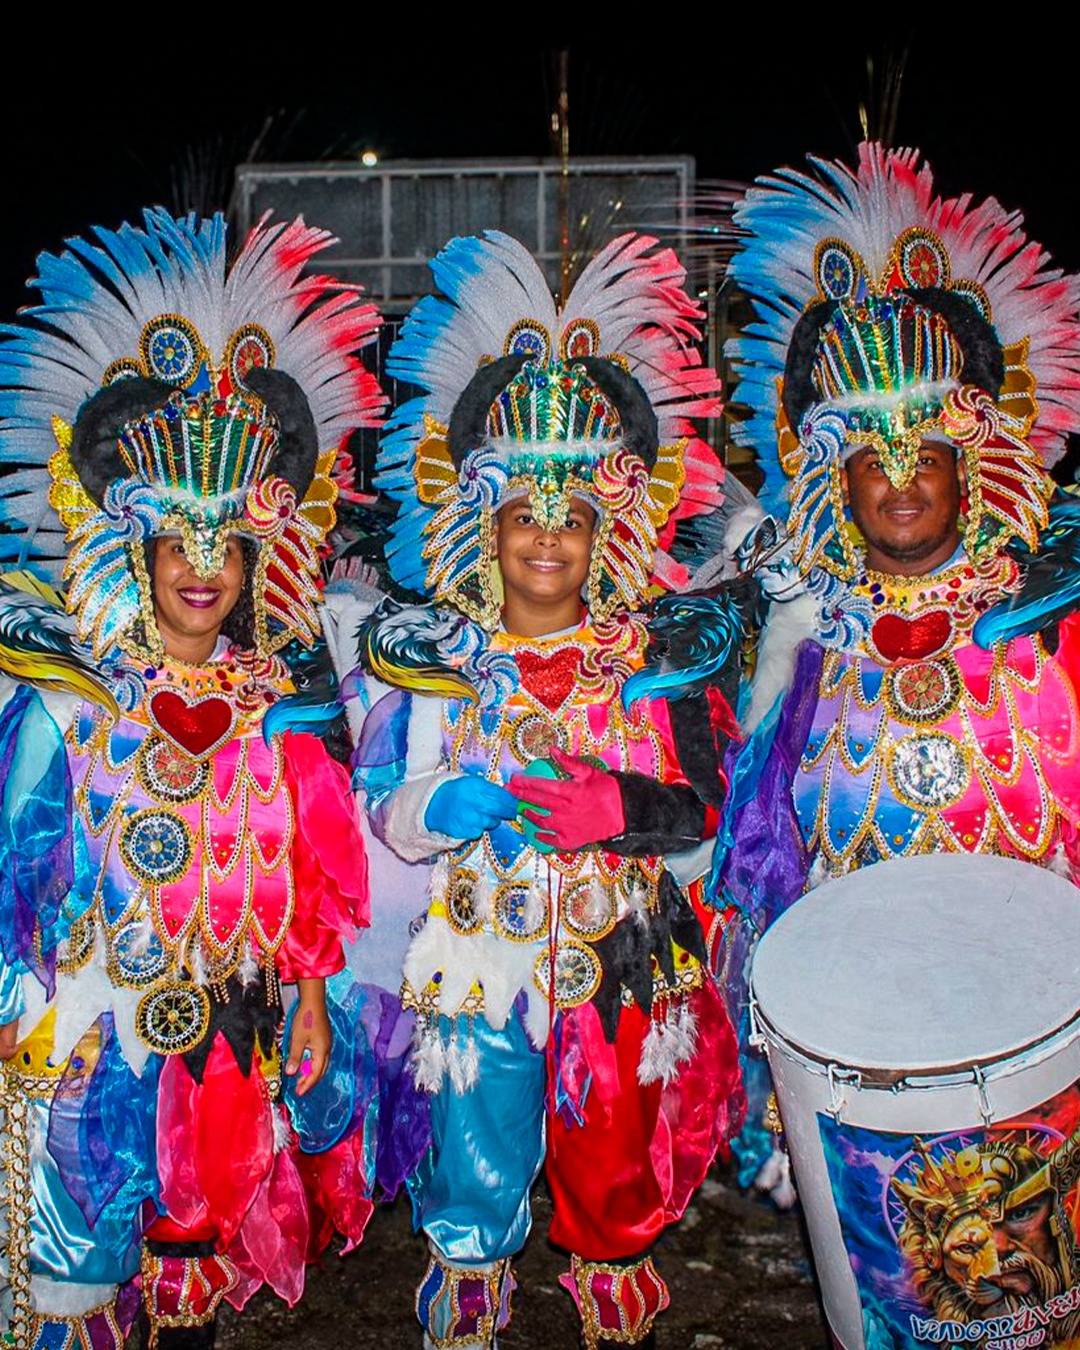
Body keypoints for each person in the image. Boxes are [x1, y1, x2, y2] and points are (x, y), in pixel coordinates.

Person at [337, 230, 744, 1349]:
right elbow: (382, 810)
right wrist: (435, 809)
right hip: (474, 960)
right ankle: (470, 1275)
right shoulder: (431, 660)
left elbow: (704, 808)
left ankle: (612, 1280)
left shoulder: (660, 660)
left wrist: (625, 811)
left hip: (621, 958)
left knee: (615, 1157)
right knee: (474, 1140)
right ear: (487, 526)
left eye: (571, 517)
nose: (549, 541)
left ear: (607, 526)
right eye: (526, 517)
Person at [0, 210, 384, 1348]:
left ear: (259, 557)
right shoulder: (69, 701)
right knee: (78, 1274)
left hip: (234, 1026)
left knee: (193, 1262)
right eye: (180, 546)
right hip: (94, 1031)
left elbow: (316, 876)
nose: (204, 571)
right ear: (141, 556)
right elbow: (18, 870)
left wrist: (312, 1001)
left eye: (227, 546)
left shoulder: (284, 707)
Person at [713, 143, 1080, 1328]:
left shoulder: (1053, 632)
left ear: (976, 459)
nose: (905, 478)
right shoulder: (804, 664)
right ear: (836, 477)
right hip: (876, 1105)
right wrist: (777, 1090)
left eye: (930, 446)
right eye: (874, 454)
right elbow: (760, 878)